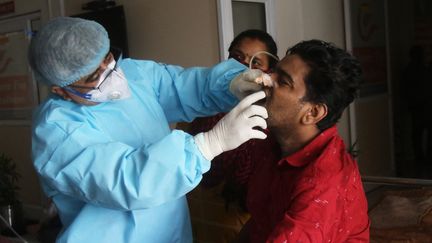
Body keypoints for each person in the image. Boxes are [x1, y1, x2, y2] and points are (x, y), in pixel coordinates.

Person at [29, 17, 270, 243]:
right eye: (94, 75)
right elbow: (126, 180)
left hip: (171, 232)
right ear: (60, 89)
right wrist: (207, 146)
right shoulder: (54, 131)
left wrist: (231, 83)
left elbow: (187, 87)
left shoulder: (134, 74)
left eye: (108, 56)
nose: (110, 72)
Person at [239, 40, 370, 242]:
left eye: (283, 81)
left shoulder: (322, 184)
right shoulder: (272, 141)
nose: (264, 79)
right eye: (273, 71)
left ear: (313, 112)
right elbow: (260, 220)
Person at [186, 29, 279, 242]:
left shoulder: (272, 122)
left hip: (237, 229)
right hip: (192, 223)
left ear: (269, 70)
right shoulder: (201, 107)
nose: (243, 68)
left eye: (256, 63)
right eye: (237, 58)